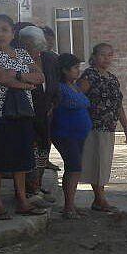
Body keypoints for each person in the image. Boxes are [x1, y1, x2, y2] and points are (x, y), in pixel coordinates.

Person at [0, 14, 48, 220]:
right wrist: (26, 83)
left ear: (12, 33)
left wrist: (17, 76)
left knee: (21, 158)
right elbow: (0, 78)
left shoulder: (22, 53)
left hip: (21, 113)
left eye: (4, 29)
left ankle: (22, 201)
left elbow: (40, 77)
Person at [80, 43, 127, 212]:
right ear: (94, 56)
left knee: (104, 162)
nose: (106, 58)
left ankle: (99, 198)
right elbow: (77, 97)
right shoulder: (90, 75)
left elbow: (118, 105)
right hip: (93, 126)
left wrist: (126, 127)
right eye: (102, 55)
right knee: (95, 161)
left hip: (109, 126)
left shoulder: (112, 78)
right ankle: (99, 198)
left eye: (109, 55)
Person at [15, 24, 59, 204]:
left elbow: (54, 82)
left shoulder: (49, 59)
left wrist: (54, 103)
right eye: (23, 45)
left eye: (30, 45)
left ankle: (36, 186)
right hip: (25, 113)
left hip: (45, 111)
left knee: (42, 150)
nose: (26, 49)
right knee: (28, 151)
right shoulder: (17, 59)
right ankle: (26, 191)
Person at [51, 53, 91, 219]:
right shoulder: (60, 88)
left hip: (78, 134)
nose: (77, 71)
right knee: (73, 167)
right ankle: (68, 207)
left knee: (75, 168)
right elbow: (73, 103)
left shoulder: (74, 86)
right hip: (65, 133)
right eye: (74, 68)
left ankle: (71, 204)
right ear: (64, 70)